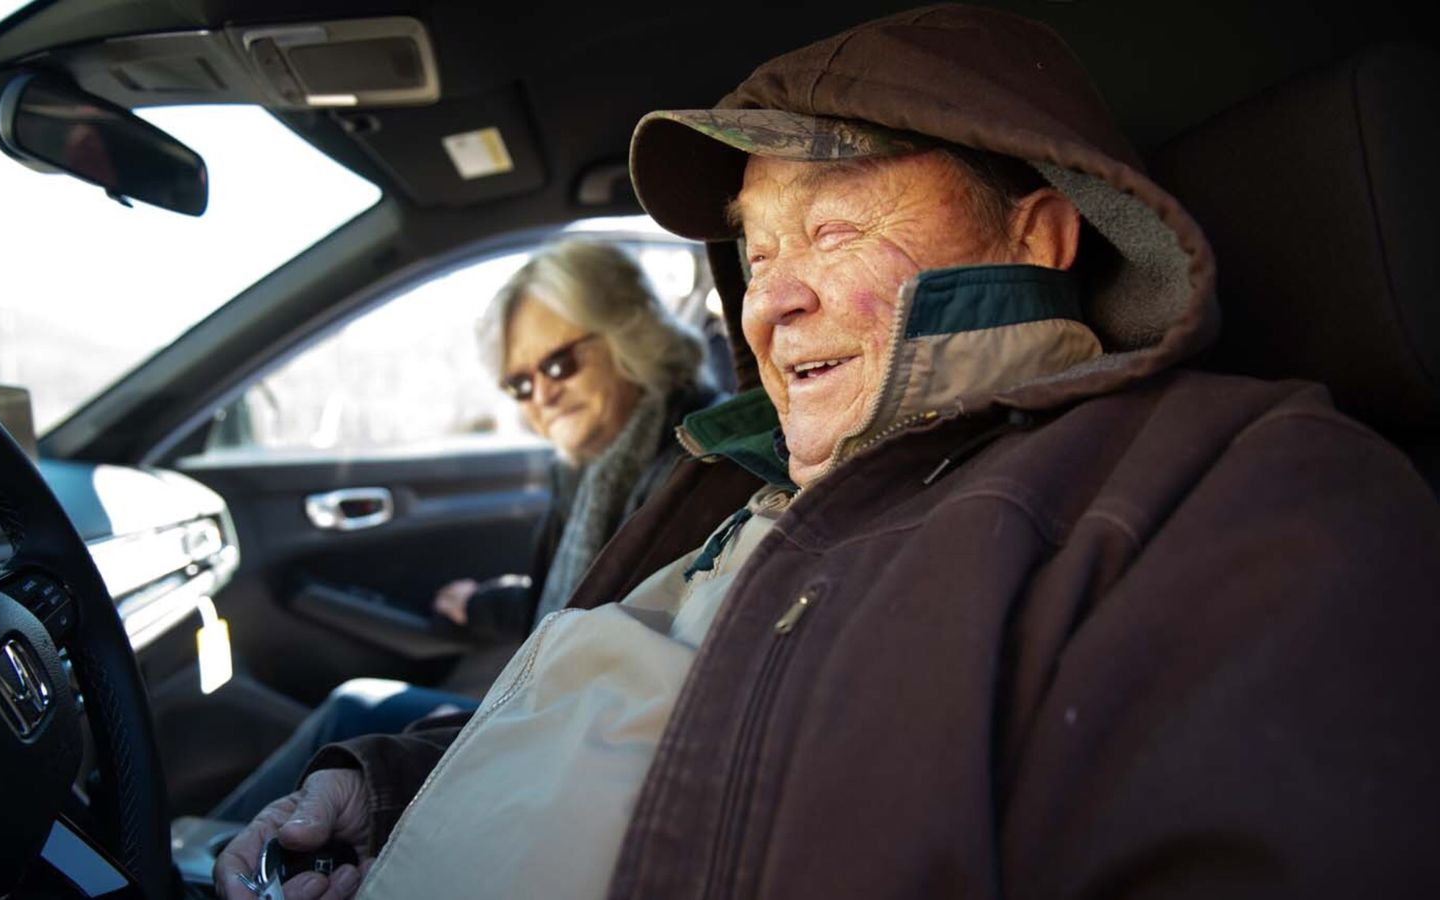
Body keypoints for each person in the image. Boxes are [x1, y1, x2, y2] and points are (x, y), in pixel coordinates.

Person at [216, 6, 1440, 899]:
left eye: (836, 227)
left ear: (1045, 233)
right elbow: (666, 716)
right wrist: (392, 799)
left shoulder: (1242, 489)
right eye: (755, 254)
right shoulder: (735, 485)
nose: (768, 306)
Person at [207, 239, 720, 823]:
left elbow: (625, 661)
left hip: (578, 757)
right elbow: (574, 599)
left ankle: (207, 866)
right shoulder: (594, 466)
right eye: (520, 384)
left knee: (354, 712)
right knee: (355, 712)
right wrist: (481, 605)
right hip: (547, 714)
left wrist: (452, 741)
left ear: (629, 334)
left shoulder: (689, 471)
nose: (542, 395)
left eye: (557, 364)